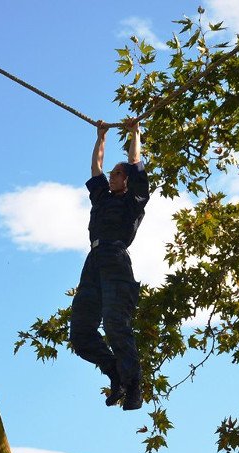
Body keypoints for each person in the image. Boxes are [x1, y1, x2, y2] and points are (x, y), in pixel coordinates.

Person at [69, 119, 149, 410]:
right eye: (114, 174)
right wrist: (100, 137)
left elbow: (136, 162)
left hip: (116, 260)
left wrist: (134, 133)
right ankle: (115, 372)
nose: (112, 177)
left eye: (118, 174)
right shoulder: (102, 198)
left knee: (116, 324)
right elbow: (96, 170)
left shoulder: (133, 201)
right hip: (93, 263)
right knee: (80, 333)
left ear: (127, 181)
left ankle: (134, 385)